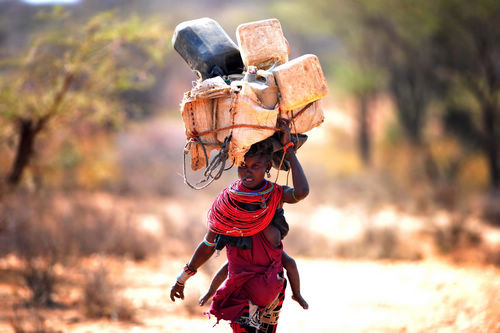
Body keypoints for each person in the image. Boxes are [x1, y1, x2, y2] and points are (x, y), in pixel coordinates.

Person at [170, 118, 309, 332]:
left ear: (268, 166)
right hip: (241, 290)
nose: (248, 172)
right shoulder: (228, 203)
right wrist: (184, 277)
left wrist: (289, 148)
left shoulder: (275, 195)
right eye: (243, 166)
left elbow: (301, 193)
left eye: (255, 166)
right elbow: (208, 244)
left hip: (273, 290)